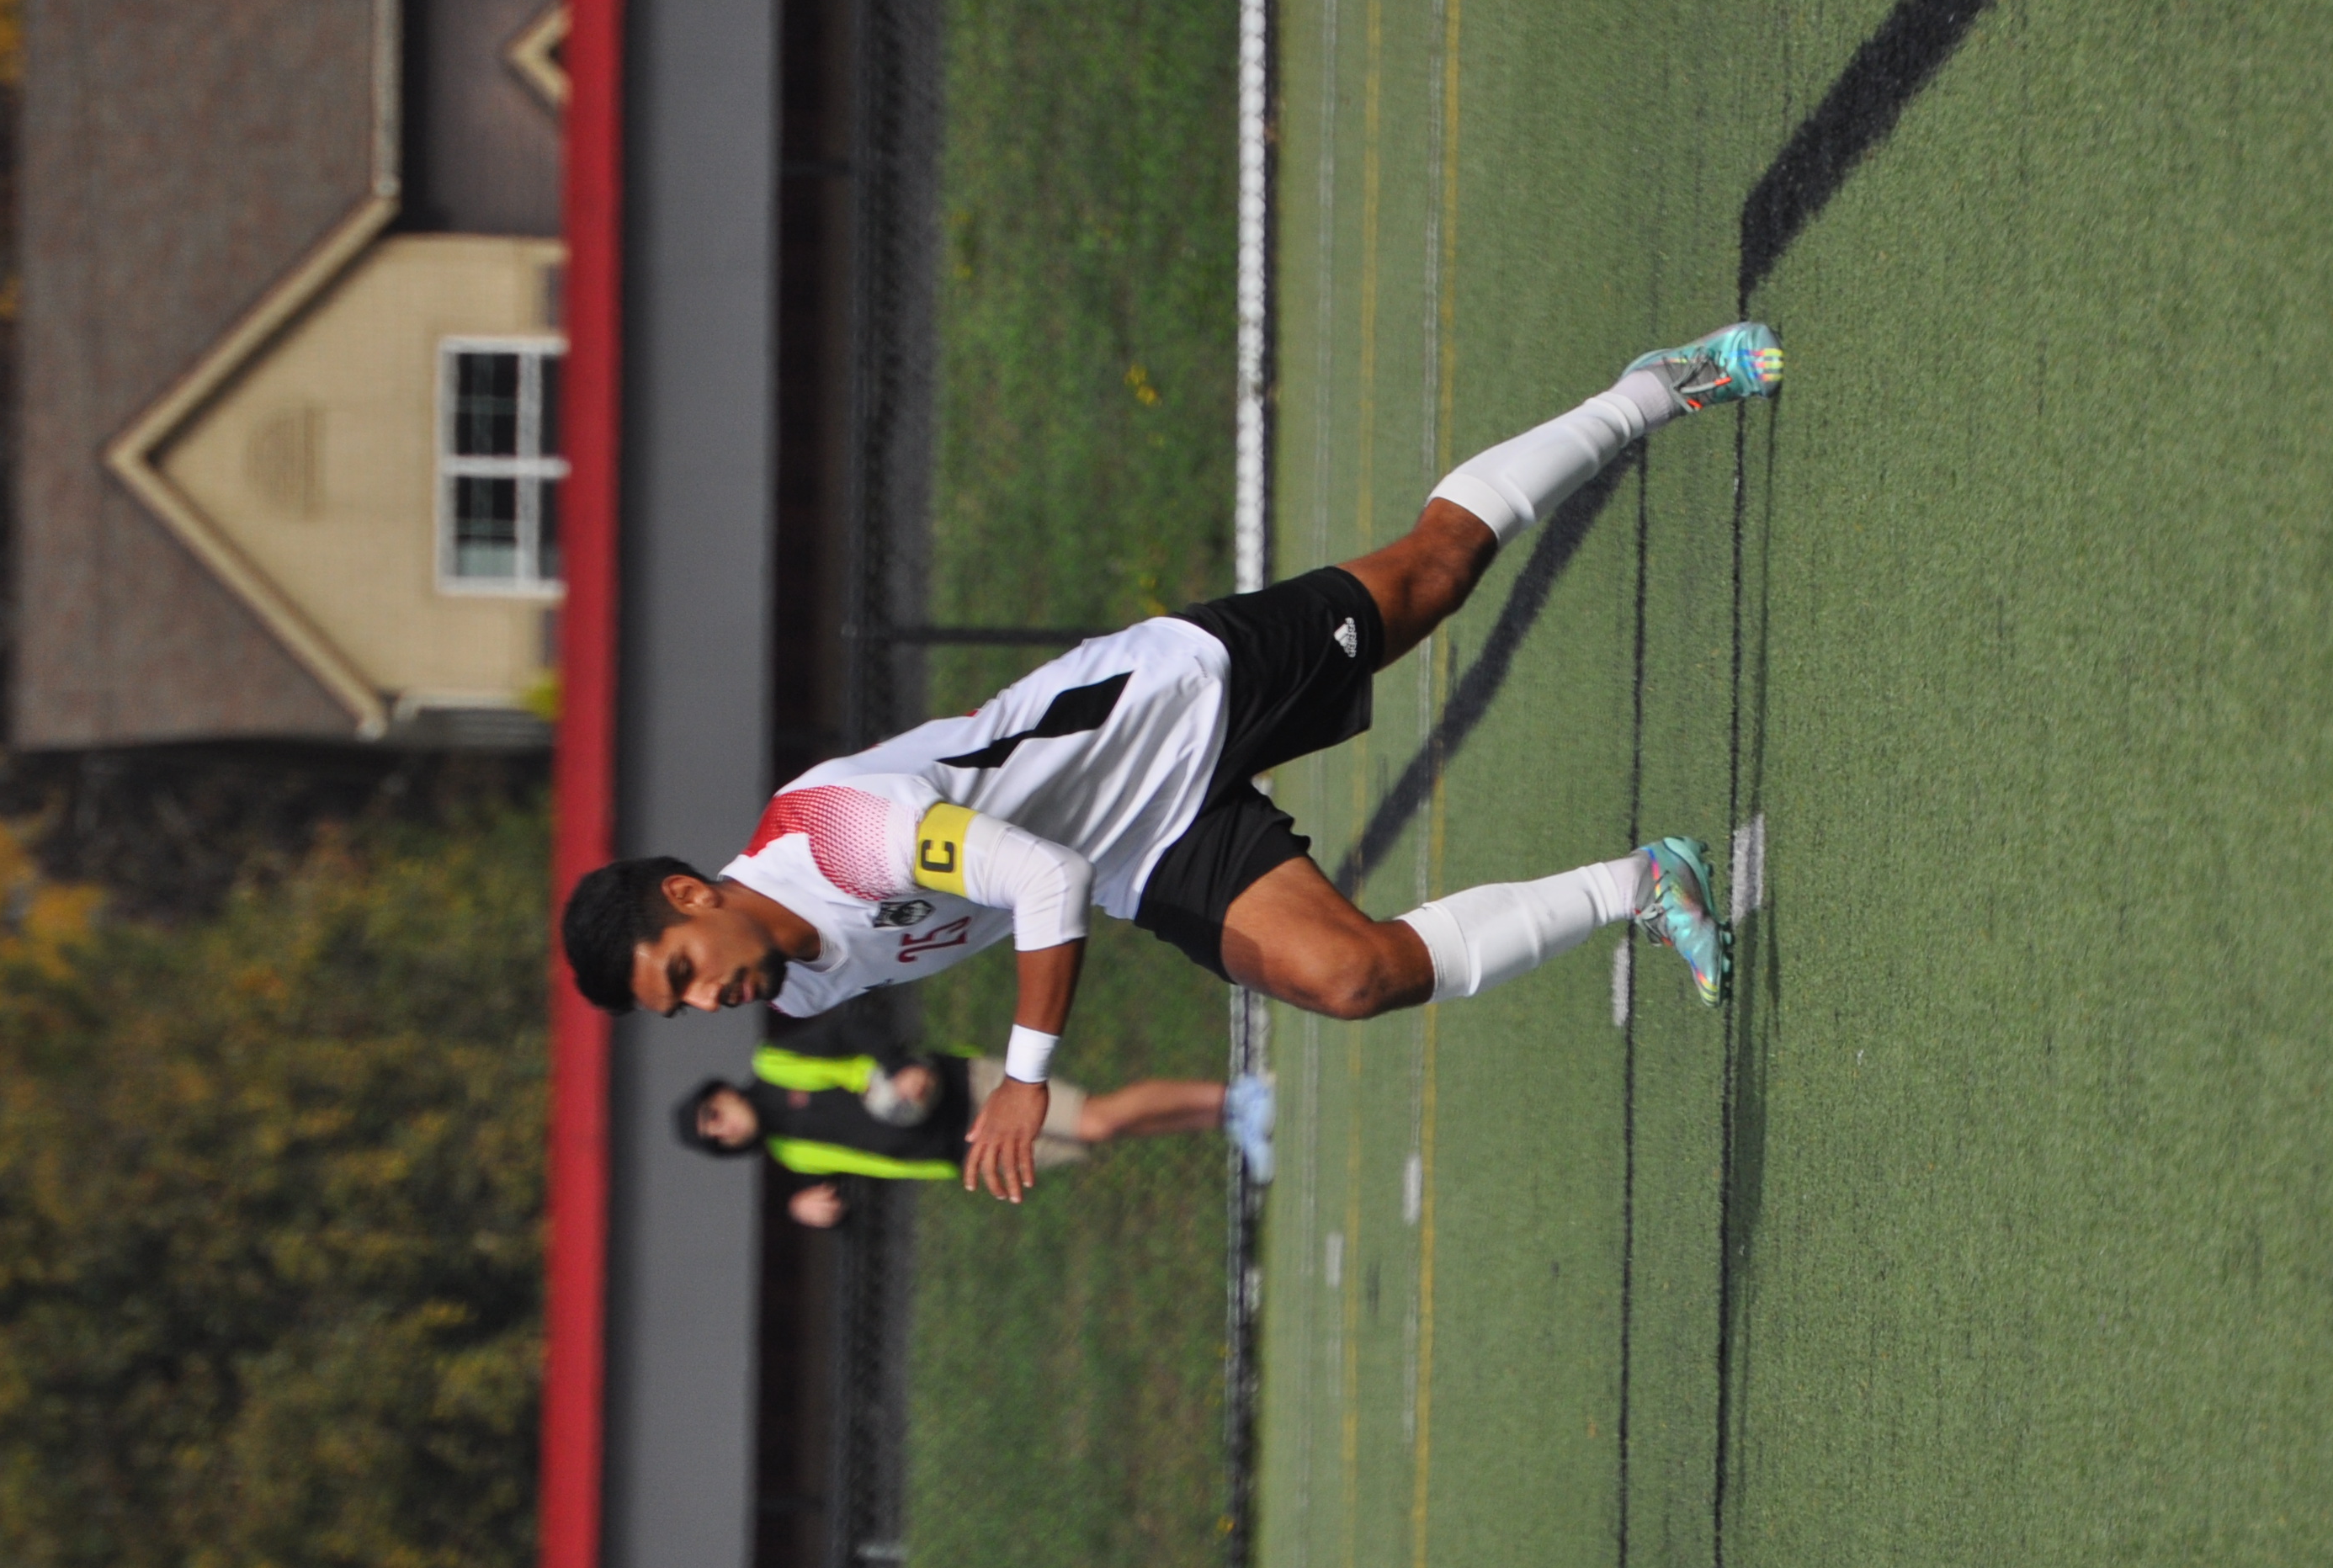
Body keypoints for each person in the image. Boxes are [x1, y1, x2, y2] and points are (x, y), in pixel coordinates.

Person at [559, 322, 1787, 1203]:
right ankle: (1642, 884)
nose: (712, 1001)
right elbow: (1036, 884)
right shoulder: (806, 988)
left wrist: (1026, 1079)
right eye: (684, 1008)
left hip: (1172, 699)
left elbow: (1031, 879)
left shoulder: (833, 832)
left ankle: (1655, 387)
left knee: (1436, 569)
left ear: (689, 895)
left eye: (685, 970)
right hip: (1140, 852)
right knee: (1351, 979)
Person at [679, 1044, 1276, 1226]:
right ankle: (1228, 1120)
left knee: (1095, 1116)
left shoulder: (773, 1067)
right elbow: (861, 1187)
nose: (724, 1125)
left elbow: (854, 1035)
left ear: (722, 1093)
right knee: (1098, 1136)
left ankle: (1238, 1097)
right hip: (963, 1149)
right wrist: (813, 1208)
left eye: (714, 1113)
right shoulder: (791, 1154)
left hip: (965, 1090)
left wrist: (904, 1070)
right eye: (716, 1136)